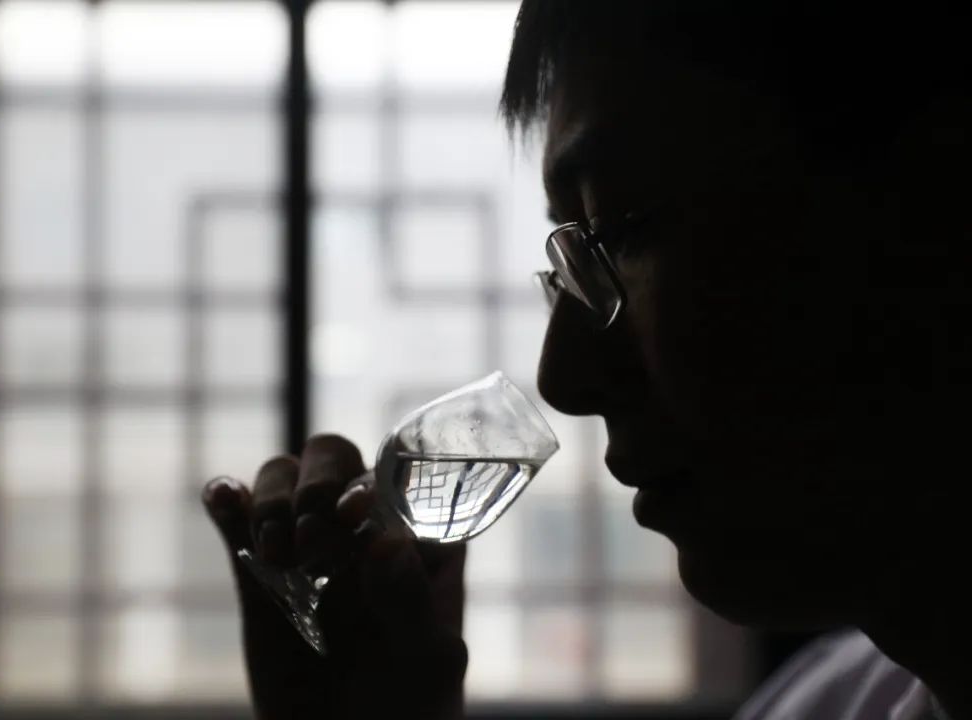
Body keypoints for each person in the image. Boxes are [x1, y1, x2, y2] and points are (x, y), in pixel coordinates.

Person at [201, 2, 971, 718]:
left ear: (933, 198)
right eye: (569, 269)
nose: (562, 379)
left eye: (624, 230)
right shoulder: (821, 702)